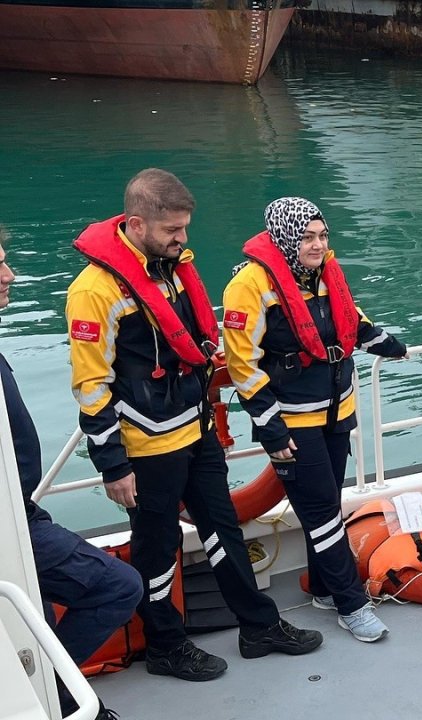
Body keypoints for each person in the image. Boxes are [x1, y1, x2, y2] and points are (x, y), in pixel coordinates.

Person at [65, 169, 322, 682]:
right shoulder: (93, 292)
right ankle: (165, 645)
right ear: (137, 224)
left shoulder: (173, 268)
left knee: (224, 529)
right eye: (172, 231)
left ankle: (259, 627)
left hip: (196, 429)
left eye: (184, 229)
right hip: (147, 445)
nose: (183, 239)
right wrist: (113, 465)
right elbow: (90, 386)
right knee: (156, 548)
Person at [222, 197, 407, 643]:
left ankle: (324, 589)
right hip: (292, 424)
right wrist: (270, 427)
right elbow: (242, 364)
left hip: (337, 411)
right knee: (323, 511)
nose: (317, 244)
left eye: (323, 236)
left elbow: (350, 321)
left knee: (325, 505)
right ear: (285, 237)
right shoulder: (249, 286)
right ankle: (351, 603)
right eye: (307, 237)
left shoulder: (326, 273)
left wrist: (388, 344)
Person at [1, 236, 141, 720]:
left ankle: (53, 690)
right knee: (118, 586)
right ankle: (55, 692)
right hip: (10, 521)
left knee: (105, 589)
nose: (10, 276)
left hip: (21, 512)